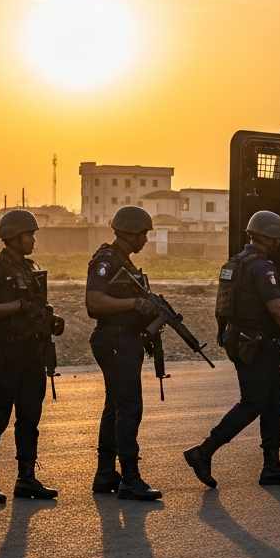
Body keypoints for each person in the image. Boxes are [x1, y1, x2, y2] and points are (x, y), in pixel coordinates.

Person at [183, 210, 280, 489]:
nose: (279, 243)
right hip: (255, 343)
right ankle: (203, 452)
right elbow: (277, 308)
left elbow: (222, 305)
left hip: (241, 339)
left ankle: (272, 466)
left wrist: (225, 333)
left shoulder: (234, 264)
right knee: (253, 403)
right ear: (271, 238)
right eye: (277, 238)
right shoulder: (261, 268)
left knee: (274, 404)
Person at [0, 209, 63, 502]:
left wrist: (50, 319)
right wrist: (16, 307)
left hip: (31, 354)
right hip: (4, 354)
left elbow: (35, 307)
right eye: (29, 235)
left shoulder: (30, 268)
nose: (33, 240)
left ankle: (26, 478)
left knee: (29, 418)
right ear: (13, 237)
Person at [86, 205, 162, 501]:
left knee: (115, 407)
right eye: (143, 234)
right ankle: (130, 478)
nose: (145, 240)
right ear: (131, 233)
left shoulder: (125, 263)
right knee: (129, 408)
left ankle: (106, 474)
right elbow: (94, 302)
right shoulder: (106, 261)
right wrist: (134, 304)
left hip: (124, 340)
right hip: (115, 340)